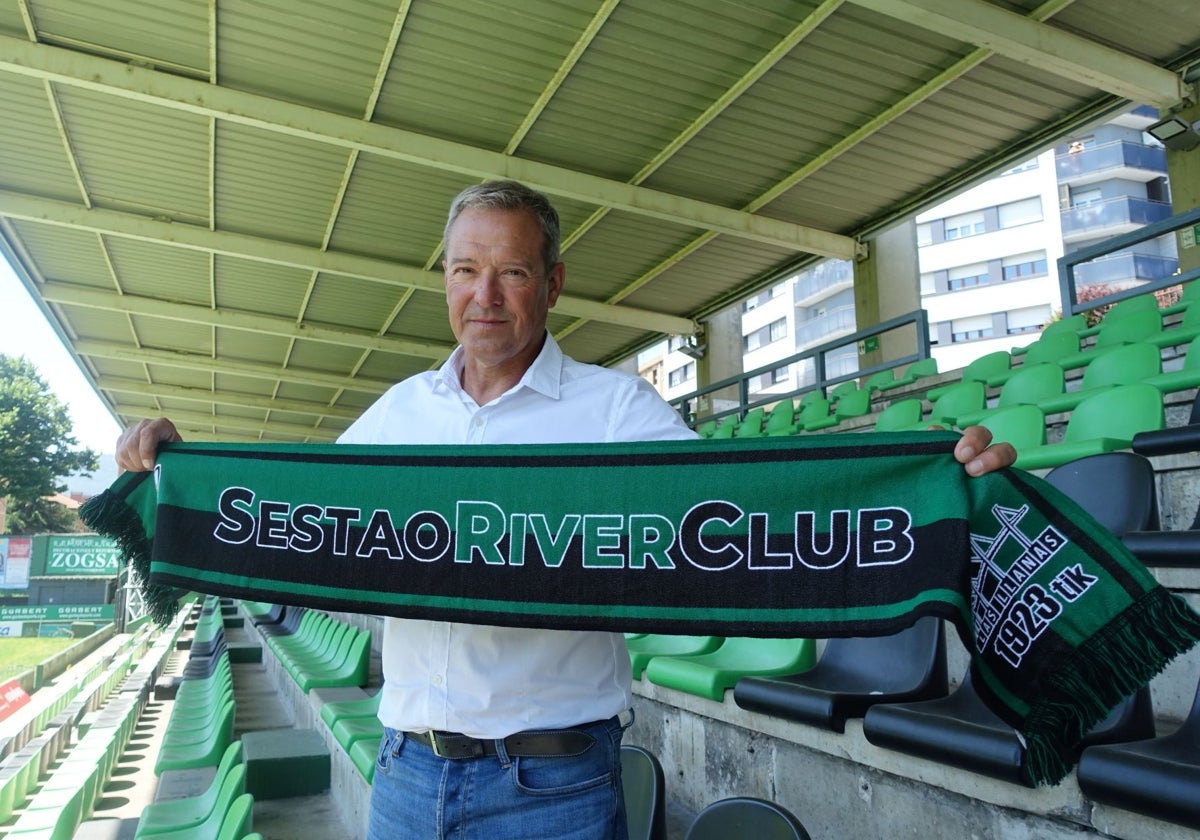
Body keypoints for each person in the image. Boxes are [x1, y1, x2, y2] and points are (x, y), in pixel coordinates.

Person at [116, 180, 1016, 839]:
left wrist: (931, 481)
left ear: (552, 283)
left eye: (512, 271)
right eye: (467, 269)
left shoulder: (620, 413)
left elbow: (740, 525)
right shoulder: (397, 414)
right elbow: (303, 529)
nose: (486, 294)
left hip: (551, 789)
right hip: (406, 777)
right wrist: (183, 472)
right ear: (444, 277)